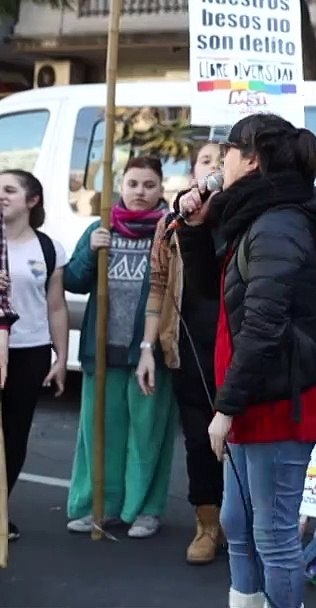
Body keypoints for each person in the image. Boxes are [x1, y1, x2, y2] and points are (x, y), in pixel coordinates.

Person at [177, 113, 316, 608]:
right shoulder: (253, 218)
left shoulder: (278, 224)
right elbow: (210, 292)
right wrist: (195, 228)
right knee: (237, 523)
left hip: (276, 402)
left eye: (227, 149)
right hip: (255, 398)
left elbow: (266, 324)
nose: (219, 159)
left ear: (251, 159)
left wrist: (225, 408)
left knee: (273, 534)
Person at [63, 155, 175, 539]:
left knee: (146, 435)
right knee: (99, 434)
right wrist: (91, 251)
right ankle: (98, 506)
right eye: (132, 184)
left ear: (161, 189)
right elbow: (74, 281)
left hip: (149, 353)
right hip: (102, 350)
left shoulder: (169, 233)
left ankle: (144, 510)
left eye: (148, 185)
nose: (140, 192)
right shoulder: (101, 227)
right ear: (120, 187)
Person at [137, 141, 225, 564]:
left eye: (223, 161)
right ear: (194, 173)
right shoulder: (172, 223)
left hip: (237, 349)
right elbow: (157, 284)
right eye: (206, 161)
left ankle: (242, 524)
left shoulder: (245, 219)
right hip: (186, 347)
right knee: (197, 440)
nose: (215, 167)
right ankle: (207, 524)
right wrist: (147, 348)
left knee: (241, 441)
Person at [0, 169, 65, 542]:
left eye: (10, 190)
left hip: (30, 351)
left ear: (32, 200)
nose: (2, 196)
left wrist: (60, 358)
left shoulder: (48, 247)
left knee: (15, 436)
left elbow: (55, 307)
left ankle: (1, 508)